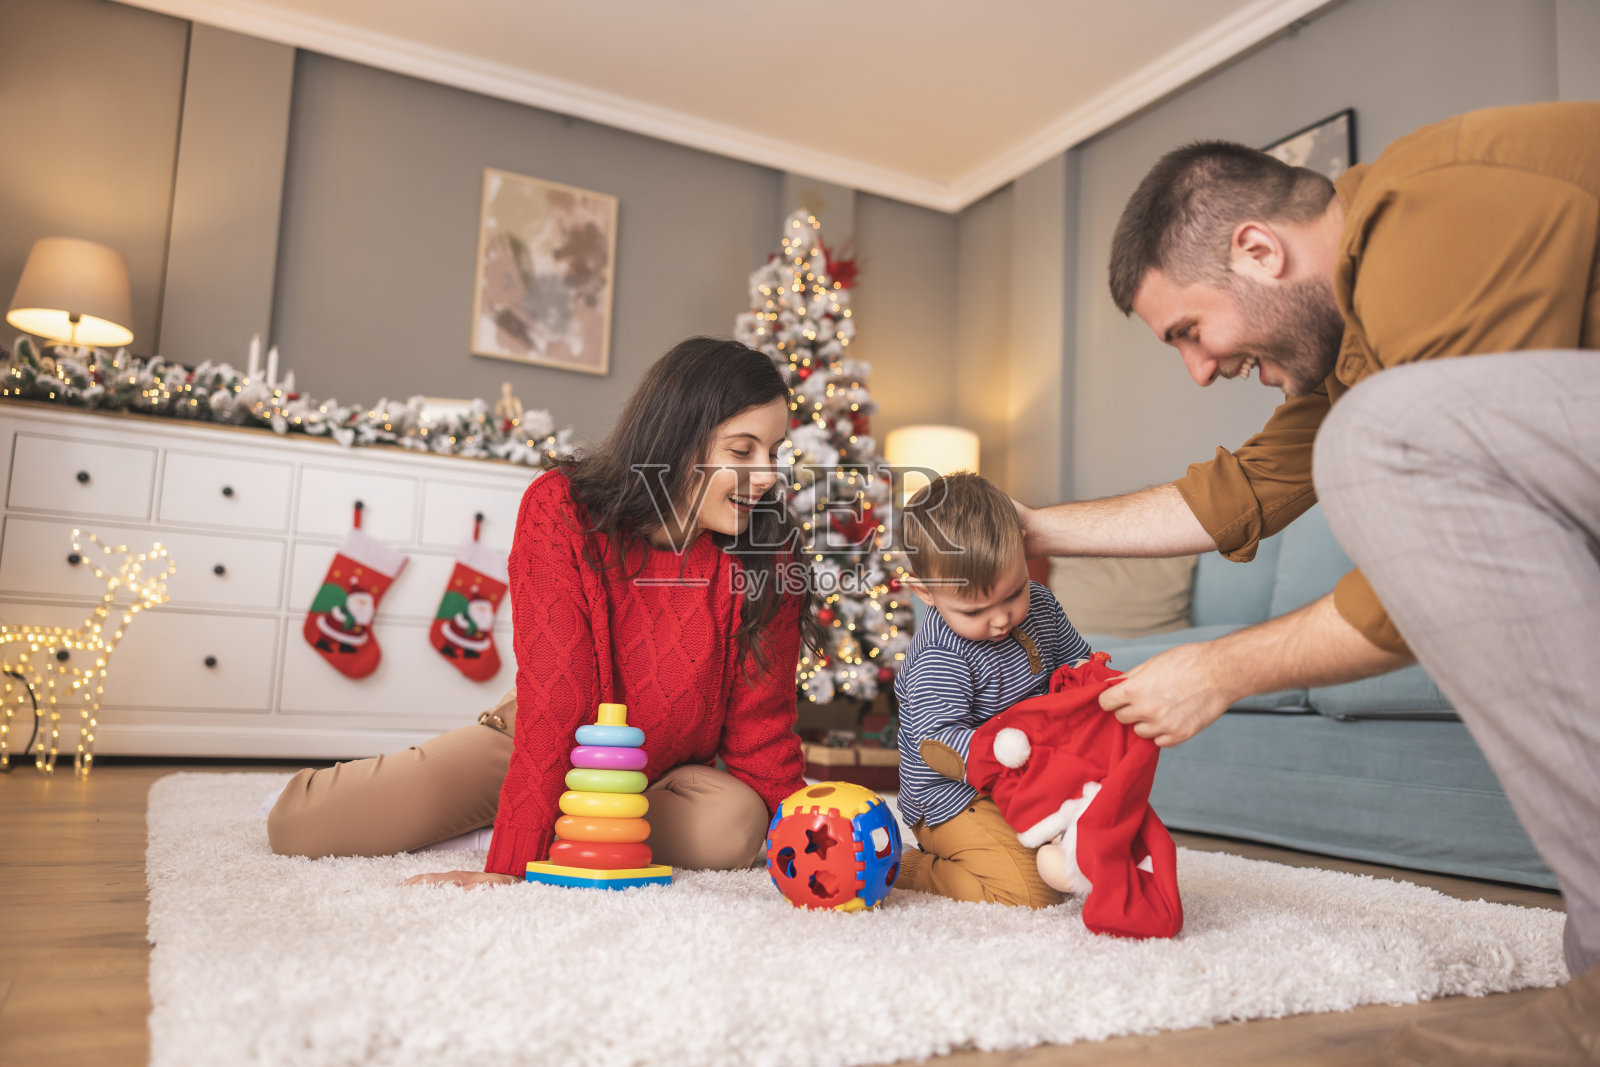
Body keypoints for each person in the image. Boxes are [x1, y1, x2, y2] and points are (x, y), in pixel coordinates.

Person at [1016, 101, 1600, 1061]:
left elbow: (1429, 585)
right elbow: (1236, 494)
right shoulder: (1352, 346)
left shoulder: (1431, 211)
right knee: (1368, 433)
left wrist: (1220, 668)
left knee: (1379, 439)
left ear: (1257, 250)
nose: (1200, 371)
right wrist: (1029, 527)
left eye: (1189, 332)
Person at [268, 337, 814, 886]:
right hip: (537, 740)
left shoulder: (769, 553)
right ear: (678, 437)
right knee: (297, 827)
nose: (766, 475)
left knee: (737, 824)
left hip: (664, 778)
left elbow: (760, 729)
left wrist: (813, 839)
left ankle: (558, 829)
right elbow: (560, 701)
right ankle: (522, 825)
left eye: (775, 451)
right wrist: (512, 866)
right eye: (743, 452)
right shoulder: (562, 509)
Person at [893, 472, 1092, 907]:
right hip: (953, 797)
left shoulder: (1041, 605)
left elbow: (1077, 665)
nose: (1001, 619)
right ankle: (907, 867)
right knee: (1030, 891)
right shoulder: (940, 657)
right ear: (925, 592)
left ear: (1024, 549)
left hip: (1033, 781)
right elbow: (937, 741)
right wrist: (1013, 755)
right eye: (975, 610)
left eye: (1012, 593)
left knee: (1094, 851)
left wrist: (1098, 689)